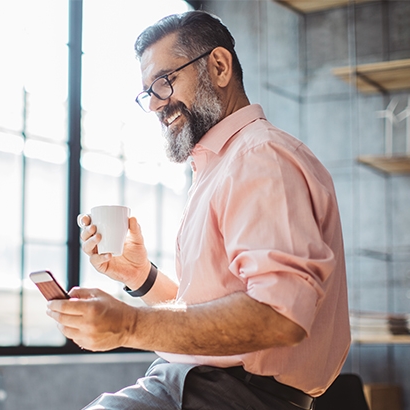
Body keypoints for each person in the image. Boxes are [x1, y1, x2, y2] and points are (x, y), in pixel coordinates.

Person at [47, 10, 350, 410]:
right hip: (201, 386)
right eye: (147, 93)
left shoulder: (260, 157)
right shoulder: (221, 165)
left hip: (228, 395)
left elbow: (279, 315)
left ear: (219, 67)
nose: (155, 105)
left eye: (164, 83)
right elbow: (216, 317)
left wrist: (128, 325)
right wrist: (141, 278)